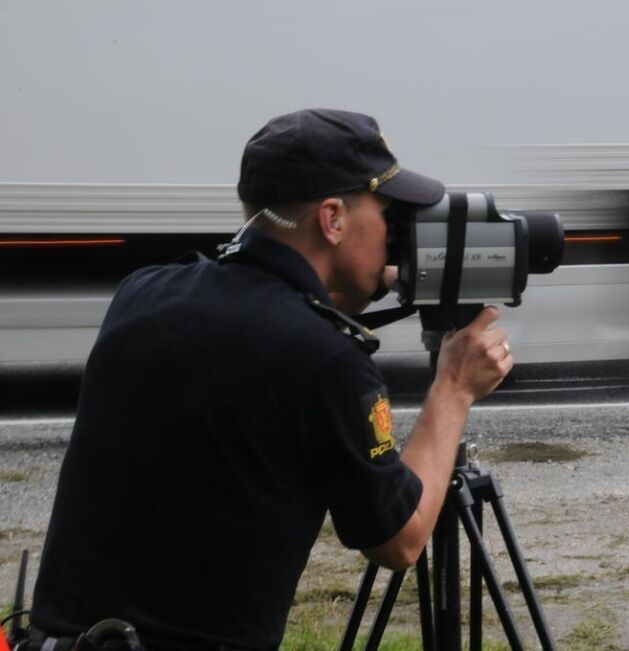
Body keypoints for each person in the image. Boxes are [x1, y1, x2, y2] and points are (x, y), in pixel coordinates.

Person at [27, 109, 513, 650]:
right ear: (333, 219)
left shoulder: (144, 293)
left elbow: (262, 329)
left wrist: (356, 285)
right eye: (388, 215)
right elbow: (399, 541)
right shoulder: (323, 357)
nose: (395, 235)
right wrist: (454, 388)